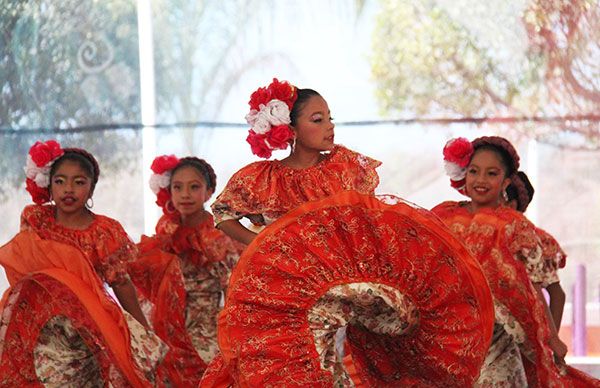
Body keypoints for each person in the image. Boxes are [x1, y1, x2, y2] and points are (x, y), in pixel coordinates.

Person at [200, 79, 495, 387]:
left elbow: (365, 222)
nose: (329, 126)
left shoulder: (343, 166)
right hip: (285, 292)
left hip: (339, 284)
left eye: (330, 118)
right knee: (286, 367)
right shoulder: (263, 178)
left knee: (396, 327)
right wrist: (263, 243)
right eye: (318, 119)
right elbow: (222, 213)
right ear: (290, 129)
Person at [432, 136, 599, 386]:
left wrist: (551, 338)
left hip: (498, 340)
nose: (481, 180)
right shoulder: (443, 216)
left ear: (505, 181)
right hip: (450, 339)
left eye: (492, 173)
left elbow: (537, 288)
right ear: (463, 174)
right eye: (474, 171)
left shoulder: (515, 226)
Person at [0, 140, 164, 387]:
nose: (68, 189)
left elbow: (121, 283)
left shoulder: (105, 231)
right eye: (60, 181)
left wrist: (140, 325)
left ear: (91, 188)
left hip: (90, 330)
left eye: (79, 182)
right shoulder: (36, 220)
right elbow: (26, 271)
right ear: (49, 185)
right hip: (44, 331)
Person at [128, 155, 242, 386]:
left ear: (209, 192)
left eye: (194, 187)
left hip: (204, 326)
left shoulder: (217, 235)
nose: (185, 194)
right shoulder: (166, 227)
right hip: (165, 322)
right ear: (169, 191)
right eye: (178, 187)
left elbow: (233, 286)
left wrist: (233, 335)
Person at [506, 171, 566, 330]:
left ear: (511, 205)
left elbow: (556, 294)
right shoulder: (477, 230)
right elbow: (558, 295)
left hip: (521, 334)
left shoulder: (535, 240)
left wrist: (551, 342)